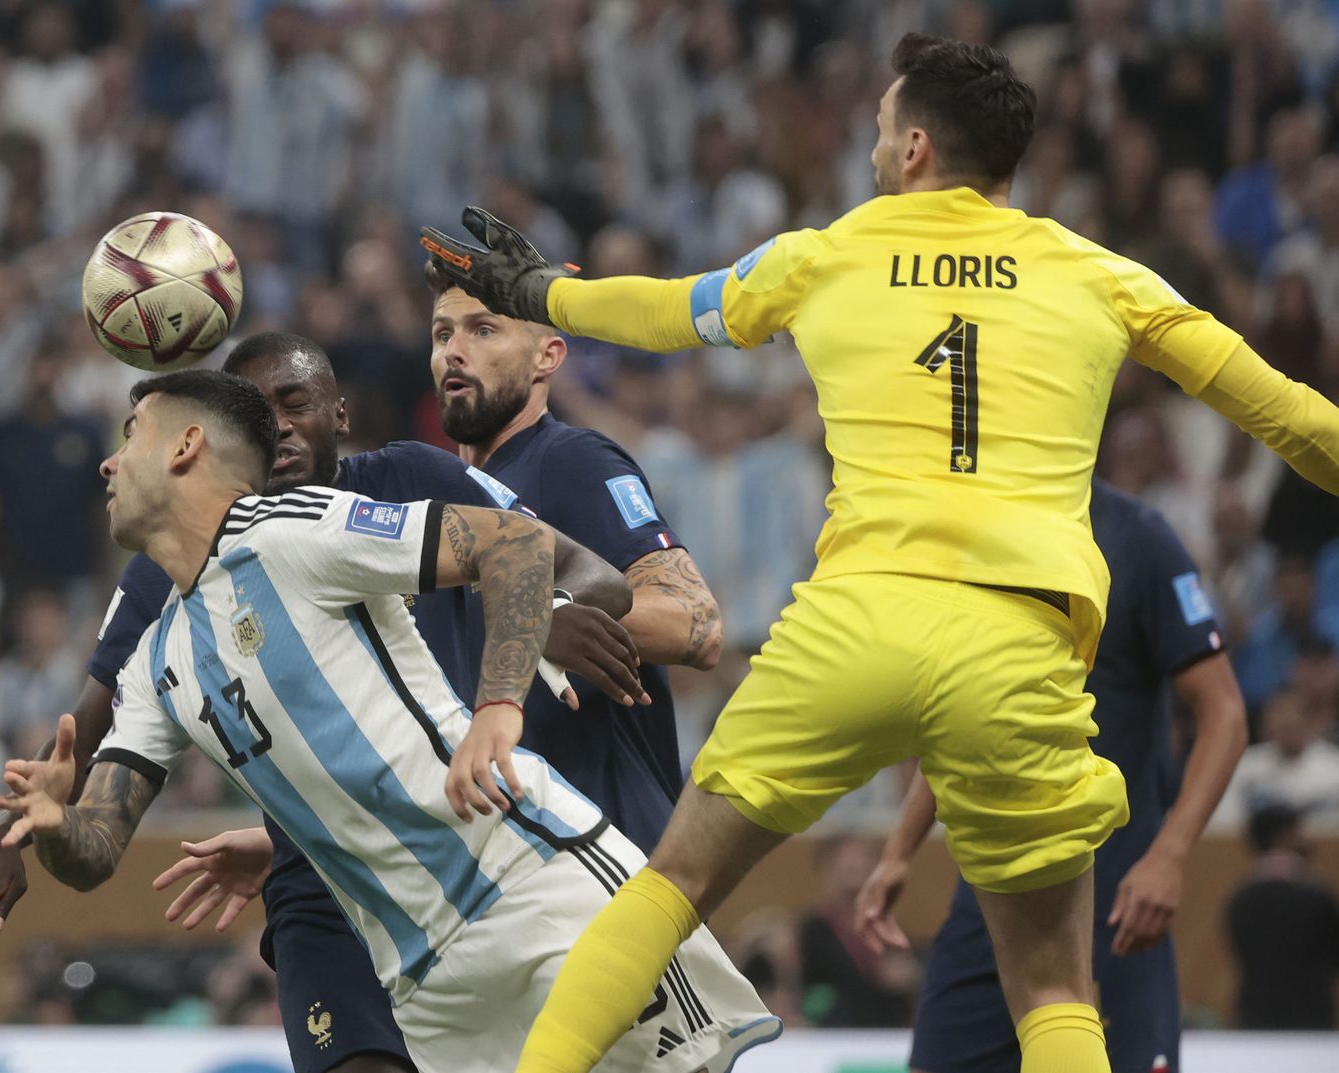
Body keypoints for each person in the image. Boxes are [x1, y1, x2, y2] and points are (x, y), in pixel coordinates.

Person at [421, 32, 1339, 1073]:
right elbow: (1294, 421)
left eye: (873, 131)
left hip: (852, 627)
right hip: (1018, 640)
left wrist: (542, 294)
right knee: (1050, 987)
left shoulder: (828, 253)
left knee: (669, 887)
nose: (866, 151)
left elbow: (671, 311)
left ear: (911, 148)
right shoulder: (1103, 275)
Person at [0, 329, 709, 1073]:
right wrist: (45, 823)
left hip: (523, 877)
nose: (109, 462)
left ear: (187, 448)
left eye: (131, 435)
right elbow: (97, 842)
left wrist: (501, 702)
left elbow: (520, 547)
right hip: (410, 950)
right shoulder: (158, 650)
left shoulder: (306, 524)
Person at [853, 479, 1247, 1073]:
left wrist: (1169, 854)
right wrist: (899, 851)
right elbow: (972, 714)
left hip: (1114, 903)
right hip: (989, 894)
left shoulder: (1139, 539)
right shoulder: (979, 533)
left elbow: (1225, 713)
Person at [1226, 804, 1339, 1029]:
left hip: (1254, 1019)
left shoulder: (1238, 900)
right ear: (1284, 836)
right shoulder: (1318, 898)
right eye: (1299, 831)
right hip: (1312, 1022)